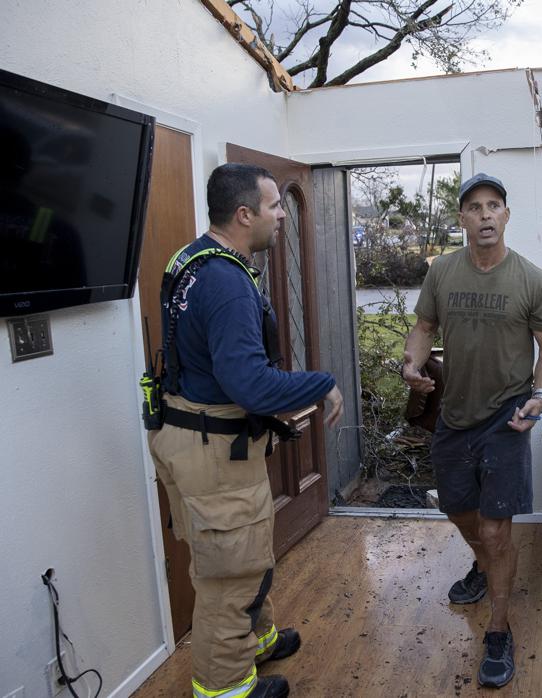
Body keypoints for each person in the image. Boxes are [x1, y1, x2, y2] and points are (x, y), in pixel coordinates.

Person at [148, 163, 344, 698]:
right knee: (227, 576)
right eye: (275, 205)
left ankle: (255, 639)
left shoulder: (193, 261)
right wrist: (320, 383)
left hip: (191, 438)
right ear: (244, 214)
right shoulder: (227, 283)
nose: (282, 214)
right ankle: (226, 685)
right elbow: (251, 386)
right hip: (211, 451)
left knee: (245, 552)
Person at [401, 173, 542, 689]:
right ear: (463, 219)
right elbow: (424, 328)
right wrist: (412, 364)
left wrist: (538, 396)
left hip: (506, 419)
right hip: (452, 415)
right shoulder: (443, 272)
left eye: (495, 205)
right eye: (475, 207)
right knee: (459, 512)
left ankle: (498, 629)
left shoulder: (532, 280)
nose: (486, 214)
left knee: (496, 530)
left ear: (507, 215)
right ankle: (484, 565)